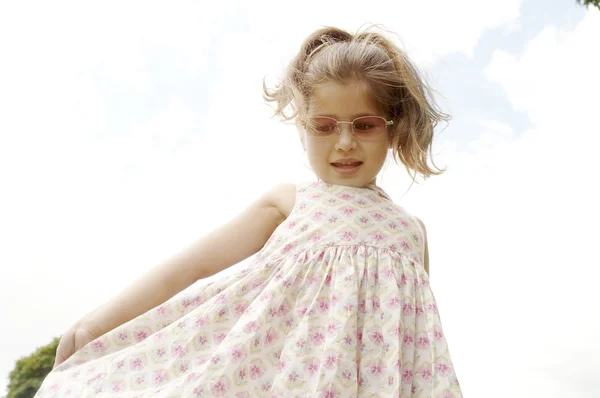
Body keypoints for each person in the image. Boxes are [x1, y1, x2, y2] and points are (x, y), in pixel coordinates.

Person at [36, 25, 463, 397]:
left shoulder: (413, 232)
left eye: (365, 124)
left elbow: (418, 344)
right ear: (303, 127)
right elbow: (191, 267)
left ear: (394, 127)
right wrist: (94, 327)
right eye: (325, 125)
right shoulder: (289, 201)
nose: (345, 142)